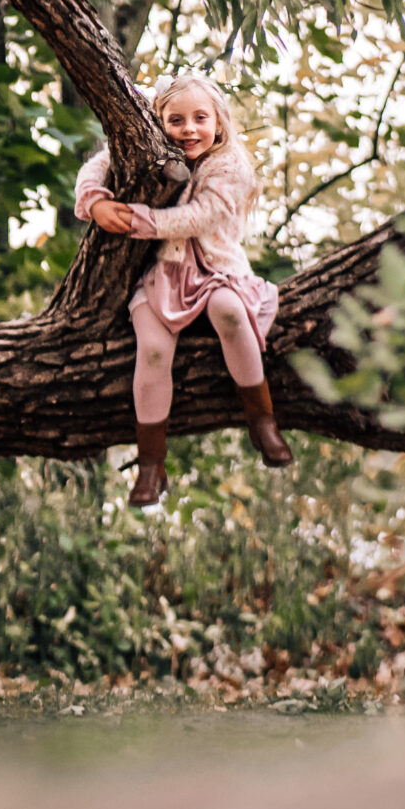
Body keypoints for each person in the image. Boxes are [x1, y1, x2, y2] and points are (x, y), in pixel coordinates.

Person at [73, 74, 288, 508]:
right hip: (161, 276)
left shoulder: (229, 164)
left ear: (219, 125)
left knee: (230, 313)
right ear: (158, 123)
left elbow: (202, 216)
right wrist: (95, 200)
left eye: (199, 118)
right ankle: (151, 463)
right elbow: (99, 162)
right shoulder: (151, 152)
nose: (189, 128)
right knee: (152, 350)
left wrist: (139, 221)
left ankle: (262, 419)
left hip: (216, 272)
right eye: (175, 120)